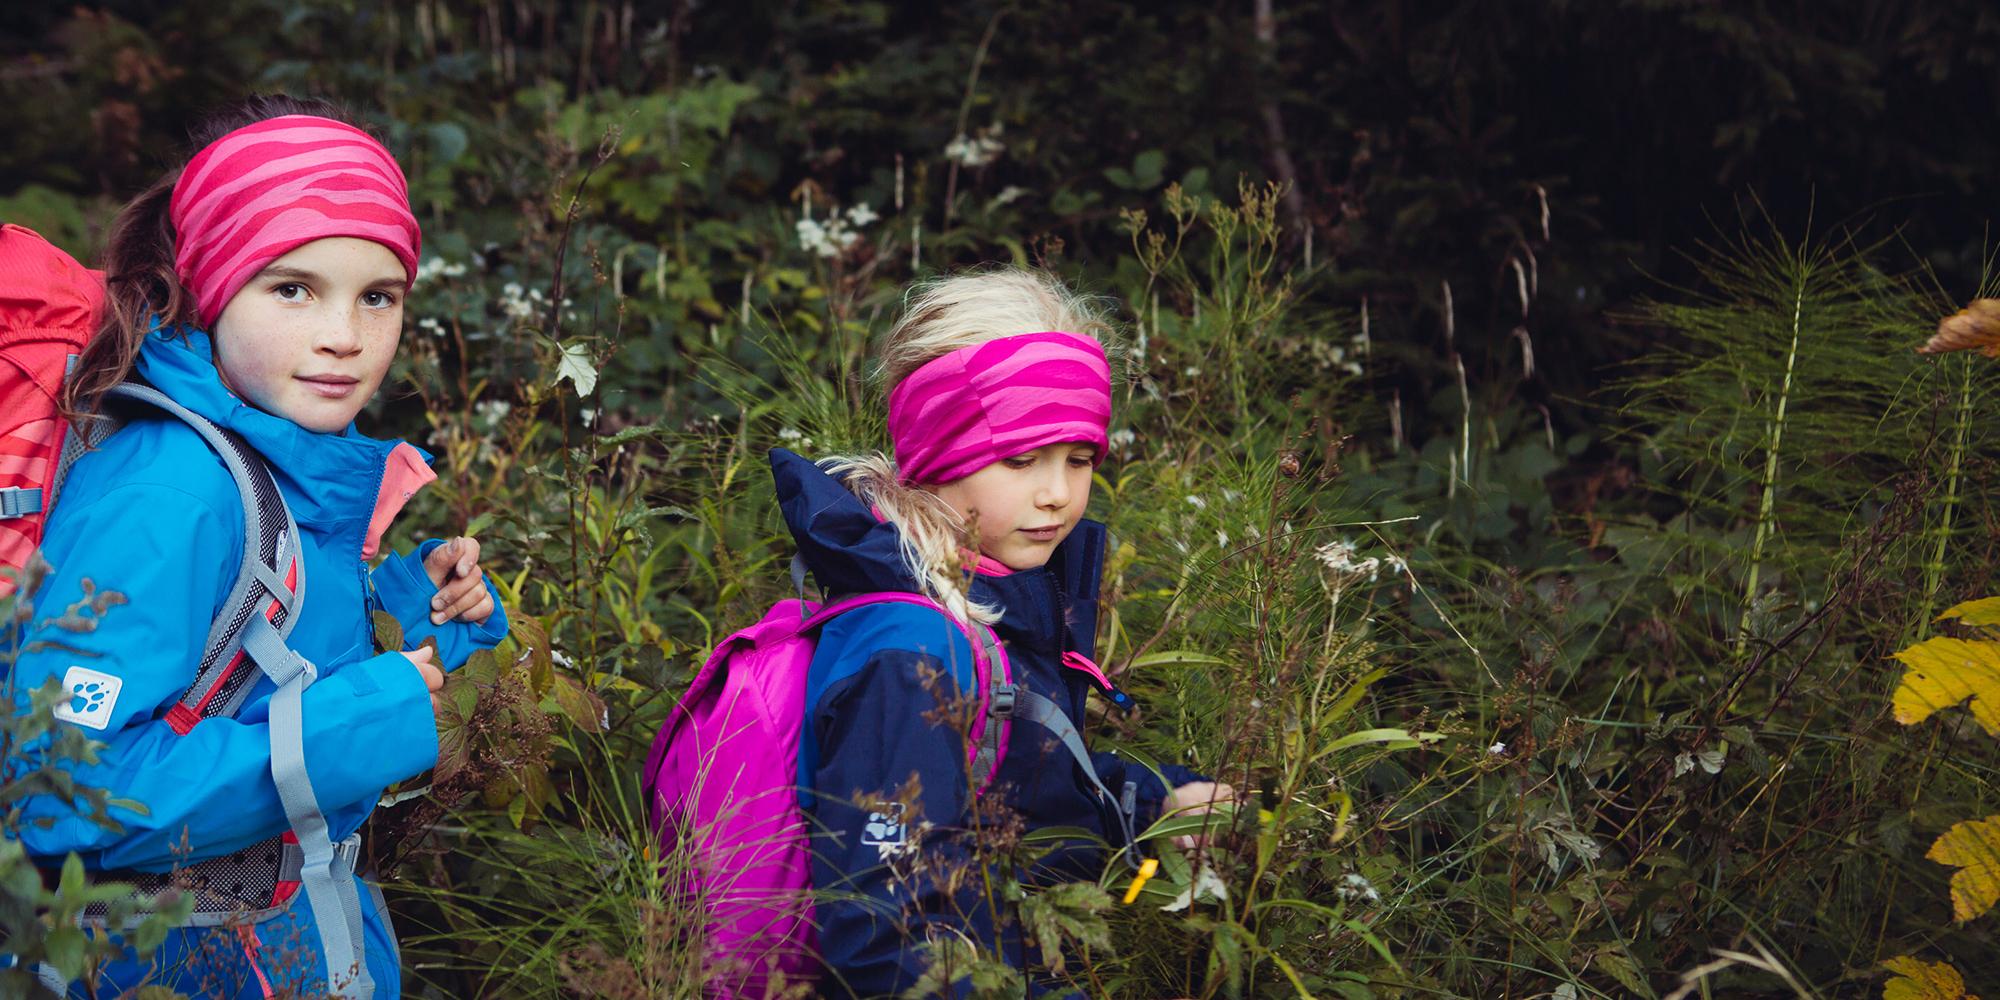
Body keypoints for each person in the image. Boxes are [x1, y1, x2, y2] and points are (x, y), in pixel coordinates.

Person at [5, 95, 507, 998]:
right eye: (292, 288)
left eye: (378, 296)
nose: (345, 337)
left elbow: (255, 662)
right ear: (208, 287)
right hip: (171, 963)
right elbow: (64, 792)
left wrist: (416, 611)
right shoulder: (168, 493)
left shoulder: (278, 454)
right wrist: (367, 718)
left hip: (290, 943)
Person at [774, 268, 1231, 997]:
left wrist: (1155, 801)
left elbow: (1013, 782)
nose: (1057, 492)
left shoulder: (988, 599)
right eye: (1021, 460)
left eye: (1079, 459)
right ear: (936, 455)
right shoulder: (913, 652)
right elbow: (885, 942)